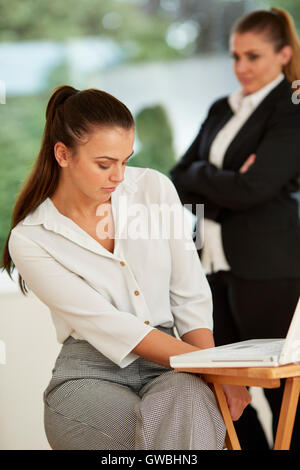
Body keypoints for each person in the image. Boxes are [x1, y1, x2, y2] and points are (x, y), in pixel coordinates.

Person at [1, 85, 251, 450]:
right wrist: (212, 367)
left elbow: (189, 292)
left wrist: (212, 369)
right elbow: (112, 327)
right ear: (63, 154)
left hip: (174, 365)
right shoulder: (32, 238)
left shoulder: (153, 188)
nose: (118, 176)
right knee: (169, 433)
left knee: (191, 404)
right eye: (104, 164)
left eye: (125, 160)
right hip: (89, 375)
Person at [170, 8, 300, 450]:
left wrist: (205, 176)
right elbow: (175, 177)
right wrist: (229, 180)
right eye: (235, 56)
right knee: (224, 391)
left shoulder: (292, 106)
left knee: (285, 391)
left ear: (283, 54)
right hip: (209, 265)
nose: (241, 67)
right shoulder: (220, 108)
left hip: (270, 267)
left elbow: (255, 187)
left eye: (254, 56)